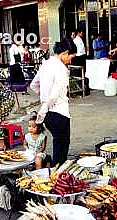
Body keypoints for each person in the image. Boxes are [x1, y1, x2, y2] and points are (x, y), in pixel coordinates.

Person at [30, 38, 77, 166]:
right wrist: (44, 108)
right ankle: (57, 177)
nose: (70, 60)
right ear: (64, 53)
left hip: (48, 117)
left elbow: (33, 85)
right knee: (61, 151)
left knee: (58, 144)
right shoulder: (61, 69)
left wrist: (44, 98)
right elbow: (54, 96)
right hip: (59, 114)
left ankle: (53, 170)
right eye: (71, 57)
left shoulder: (45, 64)